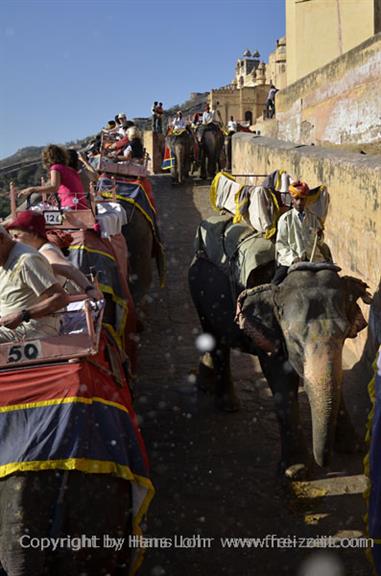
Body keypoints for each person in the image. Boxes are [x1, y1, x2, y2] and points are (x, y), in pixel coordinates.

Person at [6, 212, 101, 300]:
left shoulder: (46, 252)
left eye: (16, 236)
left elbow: (68, 268)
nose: (13, 240)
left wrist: (88, 288)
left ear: (33, 234)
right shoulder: (38, 249)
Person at [0, 225, 68, 343]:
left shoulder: (27, 260)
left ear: (1, 239)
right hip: (11, 329)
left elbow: (61, 298)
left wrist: (23, 315)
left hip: (35, 328)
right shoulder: (4, 259)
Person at [272, 181, 325, 285]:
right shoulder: (285, 219)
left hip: (313, 259)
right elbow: (281, 244)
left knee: (333, 279)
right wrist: (293, 259)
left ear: (306, 200)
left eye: (302, 199)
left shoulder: (313, 218)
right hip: (290, 261)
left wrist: (320, 236)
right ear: (292, 200)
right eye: (297, 199)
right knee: (274, 285)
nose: (300, 202)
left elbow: (320, 242)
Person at [19, 144, 88, 210]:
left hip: (70, 206)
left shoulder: (55, 168)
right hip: (81, 205)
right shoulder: (70, 169)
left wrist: (32, 189)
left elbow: (54, 187)